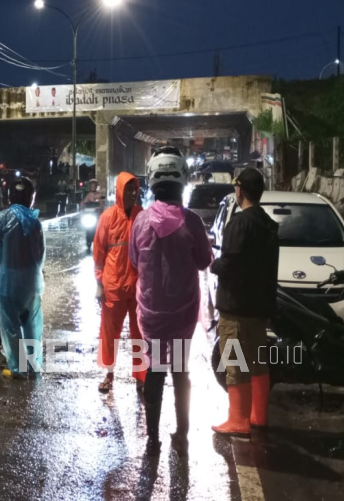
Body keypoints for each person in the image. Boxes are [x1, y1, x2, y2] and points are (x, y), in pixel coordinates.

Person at [129, 146, 213, 456]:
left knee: (154, 371)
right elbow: (204, 262)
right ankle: (182, 432)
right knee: (180, 371)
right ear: (182, 182)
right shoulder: (191, 222)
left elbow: (135, 261)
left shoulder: (140, 222)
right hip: (182, 314)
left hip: (151, 314)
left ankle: (153, 438)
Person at [211, 168, 278, 437]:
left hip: (236, 308)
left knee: (234, 362)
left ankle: (238, 420)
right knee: (258, 362)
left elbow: (231, 263)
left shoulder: (239, 224)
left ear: (240, 191)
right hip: (259, 308)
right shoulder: (268, 224)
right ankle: (258, 416)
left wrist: (214, 264)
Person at [0, 177, 46, 378]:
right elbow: (40, 254)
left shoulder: (2, 218)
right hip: (32, 285)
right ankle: (34, 365)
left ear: (10, 196)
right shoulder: (35, 222)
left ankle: (18, 370)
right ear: (31, 198)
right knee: (32, 327)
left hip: (7, 285)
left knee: (11, 328)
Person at [94, 173, 145, 393]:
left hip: (137, 287)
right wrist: (98, 284)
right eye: (128, 190)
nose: (132, 194)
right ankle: (109, 374)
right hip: (113, 286)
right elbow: (98, 253)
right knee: (109, 333)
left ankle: (141, 378)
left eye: (135, 190)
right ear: (119, 191)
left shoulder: (141, 216)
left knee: (140, 333)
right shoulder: (107, 217)